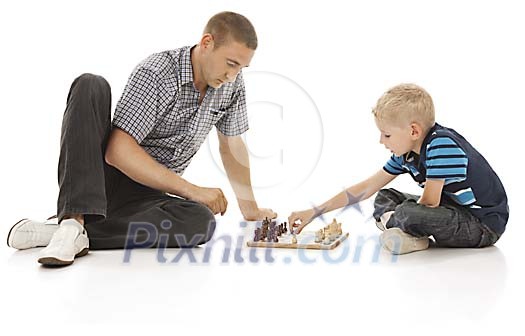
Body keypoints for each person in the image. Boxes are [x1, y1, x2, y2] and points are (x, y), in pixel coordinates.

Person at [7, 11, 276, 266]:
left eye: (241, 68)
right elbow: (118, 152)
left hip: (147, 194)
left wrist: (250, 209)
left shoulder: (231, 87)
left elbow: (232, 146)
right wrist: (192, 190)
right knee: (91, 84)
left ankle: (68, 231)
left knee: (200, 222)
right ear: (207, 43)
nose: (233, 75)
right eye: (231, 64)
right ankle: (74, 217)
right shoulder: (158, 72)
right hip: (103, 180)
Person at [288, 84, 508, 254]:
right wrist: (314, 212)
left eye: (387, 134)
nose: (381, 141)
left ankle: (403, 230)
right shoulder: (406, 155)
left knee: (407, 210)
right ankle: (407, 232)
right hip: (451, 212)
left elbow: (430, 203)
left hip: (481, 226)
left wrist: (404, 213)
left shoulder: (442, 145)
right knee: (385, 196)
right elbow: (367, 187)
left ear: (413, 131)